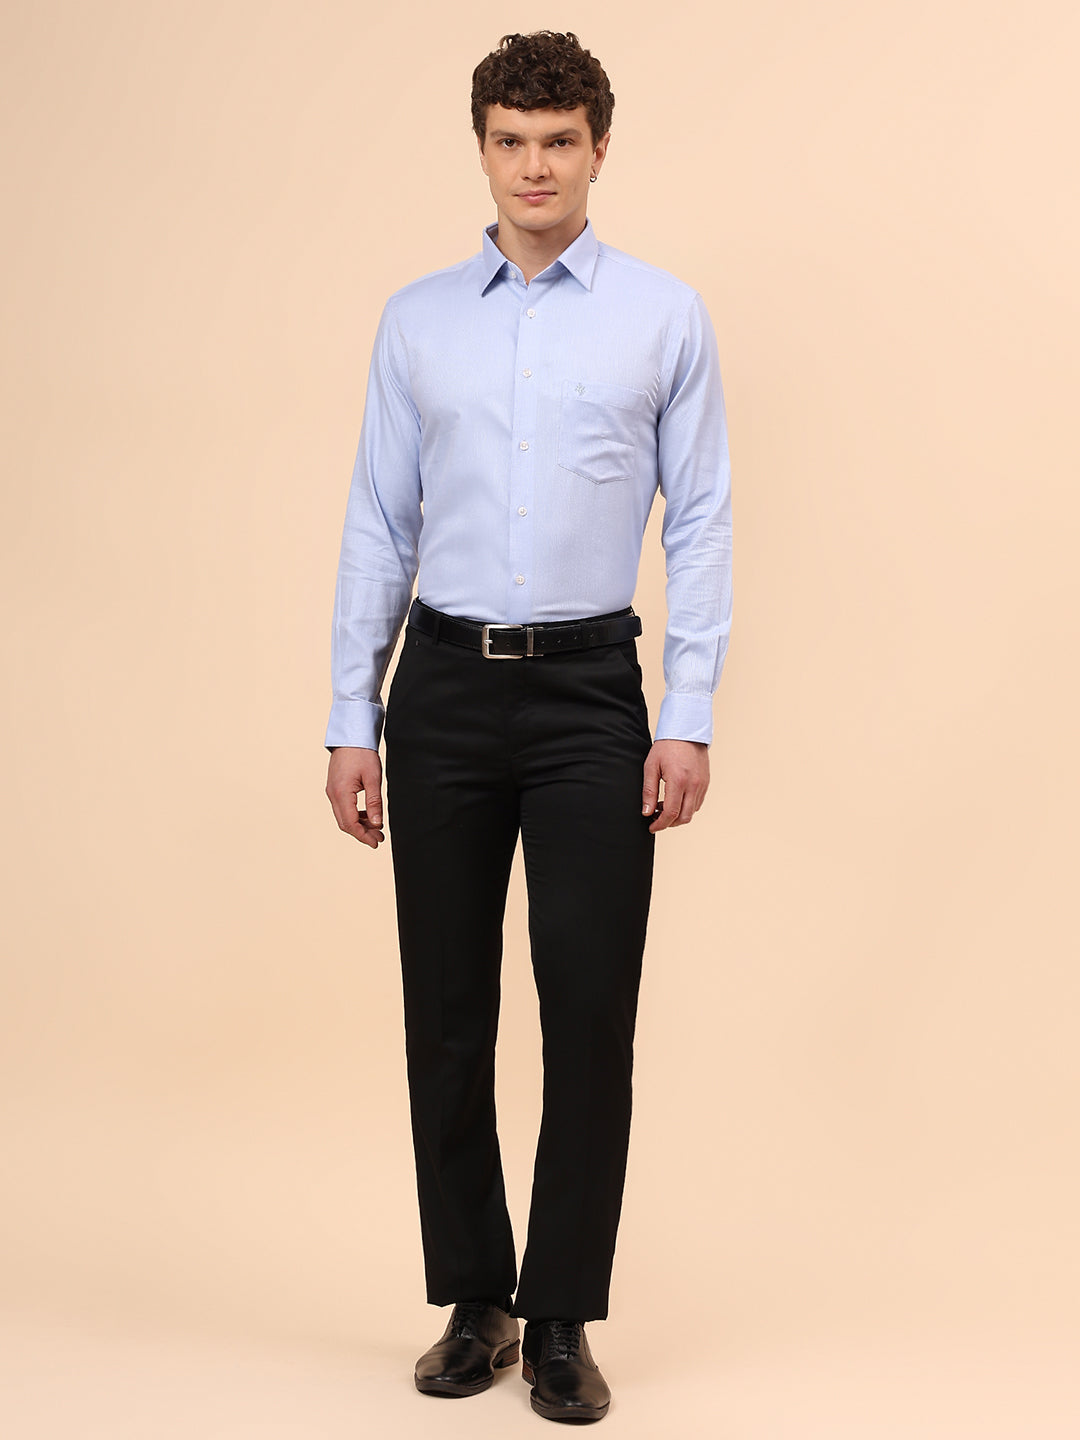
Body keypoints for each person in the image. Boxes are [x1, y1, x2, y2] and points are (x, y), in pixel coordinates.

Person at [324, 29, 732, 1424]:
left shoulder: (664, 317)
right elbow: (378, 522)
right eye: (512, 140)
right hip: (439, 692)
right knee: (445, 1013)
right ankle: (475, 1300)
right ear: (484, 149)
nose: (536, 165)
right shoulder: (417, 322)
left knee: (589, 1010)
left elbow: (703, 521)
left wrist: (686, 713)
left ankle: (560, 1316)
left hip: (588, 699)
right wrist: (352, 715)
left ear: (598, 150)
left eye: (560, 141)